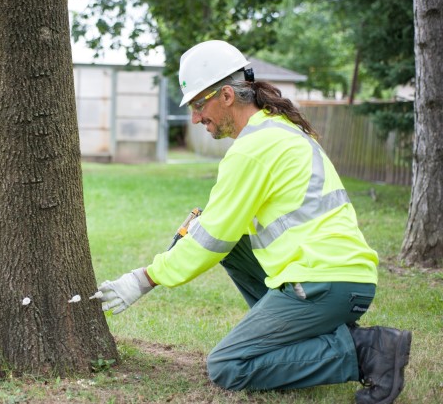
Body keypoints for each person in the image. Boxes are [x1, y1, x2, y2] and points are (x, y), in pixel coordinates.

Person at [95, 40, 411, 404]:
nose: (196, 118)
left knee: (229, 365)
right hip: (338, 278)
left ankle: (365, 350)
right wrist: (201, 229)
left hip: (323, 284)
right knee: (233, 248)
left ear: (226, 95)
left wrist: (144, 279)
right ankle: (317, 340)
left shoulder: (252, 149)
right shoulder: (278, 130)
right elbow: (225, 233)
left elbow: (211, 239)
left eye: (199, 105)